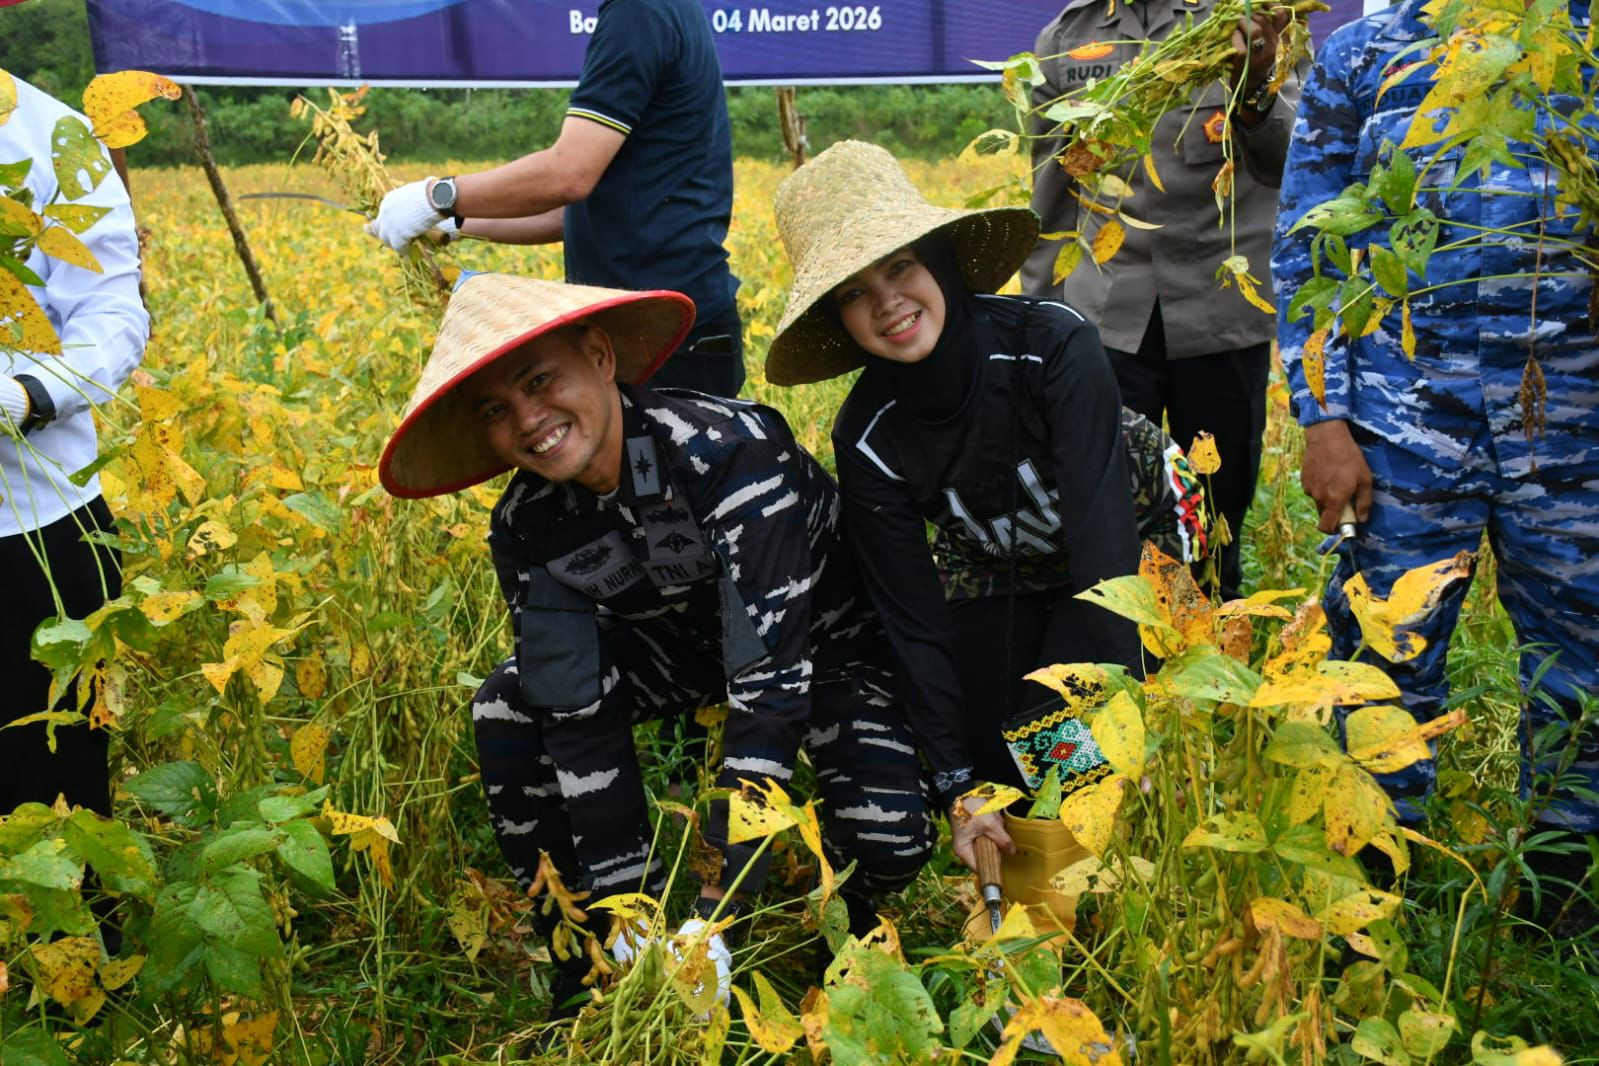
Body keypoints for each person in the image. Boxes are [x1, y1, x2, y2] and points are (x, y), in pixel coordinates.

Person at [378, 272, 933, 1020]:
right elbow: (572, 706)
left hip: (821, 648)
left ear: (601, 358)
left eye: (542, 382)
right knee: (509, 705)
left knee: (887, 837)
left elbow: (769, 687)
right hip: (684, 653)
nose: (530, 420)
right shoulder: (527, 522)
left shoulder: (731, 454)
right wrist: (622, 906)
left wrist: (713, 907)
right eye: (497, 411)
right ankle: (586, 960)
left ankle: (849, 917)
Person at [765, 141, 1206, 869]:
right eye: (852, 292)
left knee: (1057, 731)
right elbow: (913, 617)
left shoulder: (1051, 345)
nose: (886, 304)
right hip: (997, 555)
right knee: (983, 748)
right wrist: (959, 786)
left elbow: (1103, 547)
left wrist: (1115, 707)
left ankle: (1125, 846)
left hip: (1140, 526)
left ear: (938, 258)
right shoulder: (868, 434)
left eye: (899, 266)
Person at [1272, 1, 1599, 838]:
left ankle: (1561, 891)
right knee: (1385, 660)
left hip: (1572, 425)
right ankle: (1376, 878)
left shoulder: (1581, 40)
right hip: (1400, 428)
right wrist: (1324, 421)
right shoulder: (1364, 53)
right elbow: (1311, 249)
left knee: (1582, 667)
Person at [1022, 0, 1306, 600]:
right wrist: (1040, 317)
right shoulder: (1067, 37)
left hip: (1219, 309)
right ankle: (1129, 654)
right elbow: (1052, 188)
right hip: (1105, 317)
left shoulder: (1253, 19)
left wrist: (1255, 83)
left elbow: (1288, 161)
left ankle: (1214, 643)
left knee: (1218, 506)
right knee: (1115, 505)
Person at [366, 0, 744, 398]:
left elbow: (569, 173)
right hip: (644, 327)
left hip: (667, 334)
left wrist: (439, 196)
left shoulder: (639, 10)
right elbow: (575, 213)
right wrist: (453, 223)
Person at [1, 75, 149, 826]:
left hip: (35, 520)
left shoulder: (54, 136)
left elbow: (113, 310)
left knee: (53, 792)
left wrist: (30, 393)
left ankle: (68, 945)